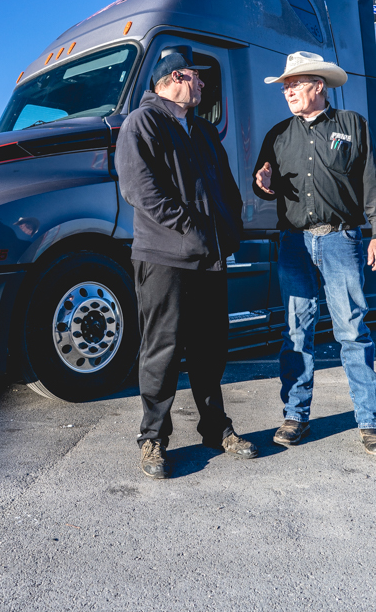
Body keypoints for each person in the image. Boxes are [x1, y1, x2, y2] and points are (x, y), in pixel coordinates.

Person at [115, 52, 257, 479]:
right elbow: (141, 190)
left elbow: (226, 187)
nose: (203, 86)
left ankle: (216, 428)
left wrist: (229, 232)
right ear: (175, 77)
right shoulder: (141, 123)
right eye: (197, 78)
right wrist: (193, 232)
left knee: (211, 348)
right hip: (164, 257)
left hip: (210, 258)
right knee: (162, 348)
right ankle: (153, 438)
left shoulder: (202, 130)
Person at [253, 51, 376, 455]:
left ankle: (369, 420)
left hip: (341, 239)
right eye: (285, 86)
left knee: (352, 331)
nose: (287, 91)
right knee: (295, 332)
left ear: (318, 86)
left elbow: (370, 182)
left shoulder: (352, 125)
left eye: (295, 84)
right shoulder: (277, 135)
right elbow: (261, 183)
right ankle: (295, 415)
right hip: (294, 243)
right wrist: (263, 183)